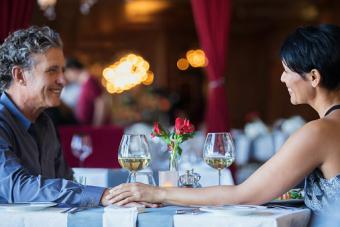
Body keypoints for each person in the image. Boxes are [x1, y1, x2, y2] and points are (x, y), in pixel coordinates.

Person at [106, 24, 340, 213]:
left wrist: (156, 192)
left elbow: (244, 195)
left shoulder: (319, 132)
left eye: (287, 70)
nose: (282, 78)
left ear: (313, 77)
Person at [0, 26, 112, 206]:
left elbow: (66, 181)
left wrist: (116, 195)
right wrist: (102, 195)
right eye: (52, 70)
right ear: (20, 75)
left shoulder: (45, 122)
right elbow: (18, 187)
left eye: (63, 70)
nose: (63, 80)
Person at [73, 59, 112, 126]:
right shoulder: (85, 83)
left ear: (72, 70)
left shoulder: (90, 82)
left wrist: (96, 127)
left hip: (92, 129)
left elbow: (101, 103)